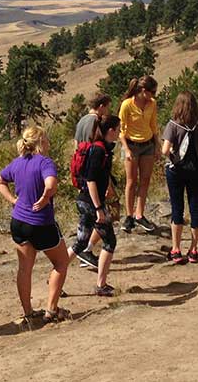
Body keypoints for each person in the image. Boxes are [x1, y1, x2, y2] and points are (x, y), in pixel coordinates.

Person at [0, 126, 70, 323]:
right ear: (40, 143)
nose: (48, 144)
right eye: (46, 140)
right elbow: (51, 184)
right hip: (41, 223)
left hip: (19, 222)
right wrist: (46, 197)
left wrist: (13, 200)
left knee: (24, 269)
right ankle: (52, 310)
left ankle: (28, 313)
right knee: (61, 263)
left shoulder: (17, 163)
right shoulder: (45, 162)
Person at [161, 91, 198, 264]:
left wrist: (173, 156)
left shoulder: (172, 125)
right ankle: (193, 250)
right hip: (196, 171)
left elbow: (164, 150)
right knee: (196, 208)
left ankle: (176, 249)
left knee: (177, 208)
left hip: (176, 171)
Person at [71, 115, 122, 296]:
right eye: (118, 128)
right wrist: (99, 208)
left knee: (81, 243)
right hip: (91, 204)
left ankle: (56, 276)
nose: (120, 132)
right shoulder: (99, 151)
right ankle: (101, 285)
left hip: (85, 201)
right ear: (110, 131)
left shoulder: (102, 149)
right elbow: (91, 180)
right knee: (110, 241)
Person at [72, 92, 112, 268]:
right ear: (101, 106)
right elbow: (93, 152)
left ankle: (83, 249)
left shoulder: (81, 121)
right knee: (106, 213)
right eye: (107, 107)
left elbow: (76, 146)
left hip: (82, 173)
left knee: (86, 220)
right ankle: (87, 250)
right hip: (93, 176)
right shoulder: (94, 122)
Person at [119, 76, 160, 233]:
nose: (154, 95)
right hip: (131, 145)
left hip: (147, 144)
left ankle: (139, 214)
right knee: (131, 180)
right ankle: (129, 216)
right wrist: (127, 150)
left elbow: (153, 125)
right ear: (143, 91)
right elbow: (121, 130)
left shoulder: (152, 104)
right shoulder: (127, 105)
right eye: (153, 92)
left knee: (145, 179)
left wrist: (157, 146)